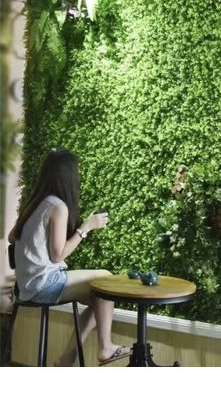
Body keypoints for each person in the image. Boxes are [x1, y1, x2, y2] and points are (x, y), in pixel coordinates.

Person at [8, 147, 131, 365]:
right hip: (43, 284)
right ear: (69, 177)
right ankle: (104, 348)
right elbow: (58, 255)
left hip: (26, 286)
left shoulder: (36, 202)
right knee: (107, 279)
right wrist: (86, 228)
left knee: (100, 298)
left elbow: (11, 237)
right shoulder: (58, 206)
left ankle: (67, 359)